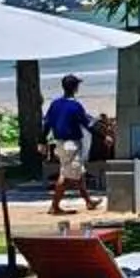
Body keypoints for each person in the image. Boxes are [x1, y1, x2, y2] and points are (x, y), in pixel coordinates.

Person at [44, 74, 100, 213]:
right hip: (72, 144)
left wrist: (41, 141)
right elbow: (87, 125)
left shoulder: (55, 104)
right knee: (68, 176)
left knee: (77, 172)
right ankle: (54, 206)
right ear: (75, 88)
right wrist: (103, 136)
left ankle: (88, 201)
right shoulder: (75, 106)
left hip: (60, 143)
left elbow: (47, 124)